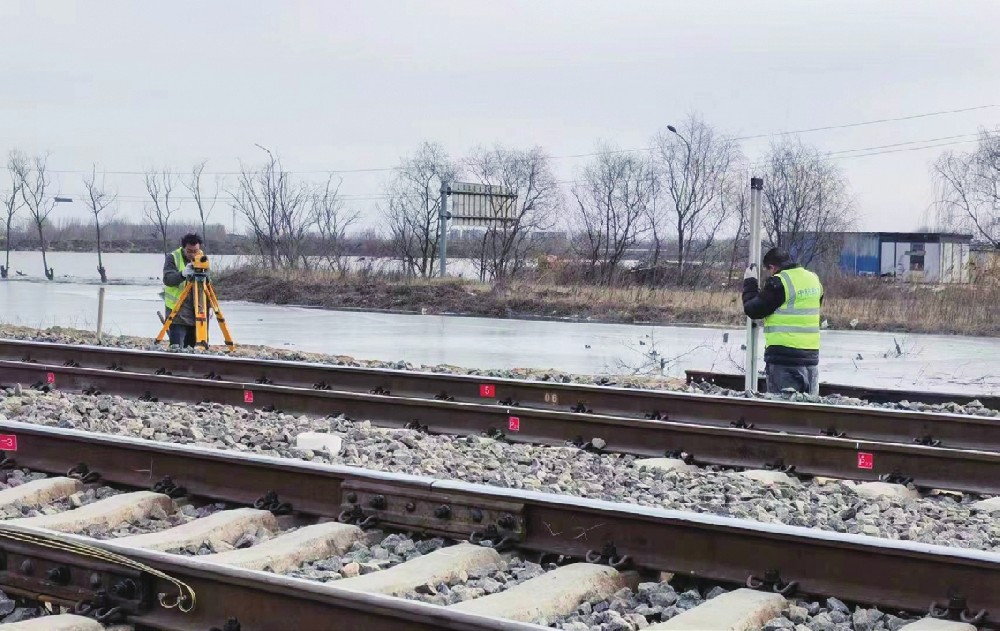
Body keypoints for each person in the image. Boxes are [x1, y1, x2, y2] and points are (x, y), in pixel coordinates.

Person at [742, 247, 823, 395]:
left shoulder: (780, 283)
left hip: (784, 359)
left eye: (769, 271)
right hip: (811, 358)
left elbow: (753, 310)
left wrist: (750, 283)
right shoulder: (813, 279)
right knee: (809, 412)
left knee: (782, 412)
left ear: (772, 267)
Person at [162, 233, 203, 348]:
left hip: (196, 312)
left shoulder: (202, 258)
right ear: (183, 248)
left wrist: (208, 306)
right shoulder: (173, 257)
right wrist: (182, 274)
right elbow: (168, 279)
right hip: (177, 312)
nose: (192, 254)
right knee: (177, 348)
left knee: (192, 349)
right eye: (189, 251)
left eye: (195, 251)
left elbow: (206, 284)